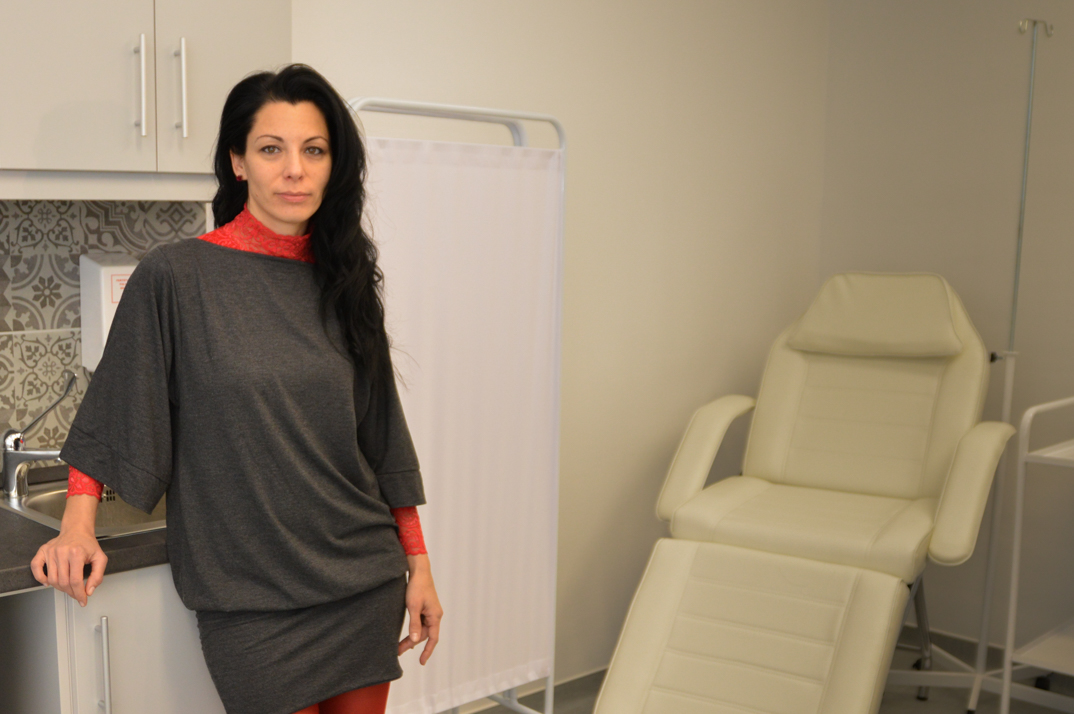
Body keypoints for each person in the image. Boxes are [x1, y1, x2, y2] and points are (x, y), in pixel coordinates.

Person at [30, 64, 443, 714]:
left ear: (334, 165)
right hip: (248, 599)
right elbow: (117, 406)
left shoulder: (347, 283)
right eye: (272, 149)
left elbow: (382, 438)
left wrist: (419, 566)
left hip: (362, 581)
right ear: (238, 162)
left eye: (314, 150)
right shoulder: (176, 276)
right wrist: (76, 528)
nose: (295, 170)